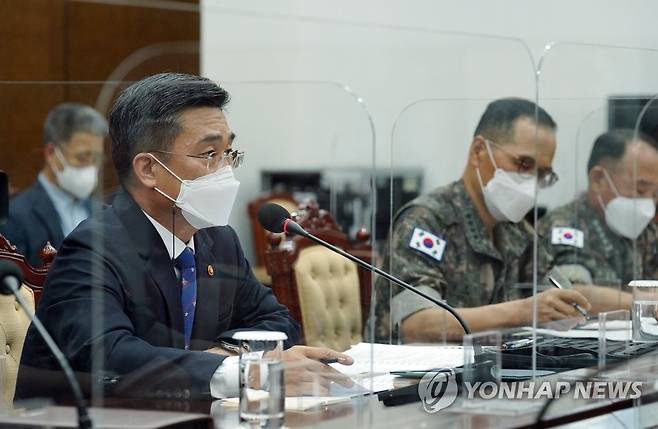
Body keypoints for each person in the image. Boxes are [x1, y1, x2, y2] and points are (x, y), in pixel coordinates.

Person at [16, 73, 352, 400]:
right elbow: (111, 353)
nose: (225, 170)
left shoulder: (218, 240)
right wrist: (246, 371)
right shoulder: (93, 249)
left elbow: (279, 321)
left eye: (228, 153)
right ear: (148, 169)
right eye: (209, 155)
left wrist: (228, 353)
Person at [372, 98, 591, 343]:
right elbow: (417, 324)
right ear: (478, 151)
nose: (531, 182)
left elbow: (557, 290)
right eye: (523, 164)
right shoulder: (426, 222)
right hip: (413, 377)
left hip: (491, 375)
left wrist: (565, 307)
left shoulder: (517, 231)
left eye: (542, 174)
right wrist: (524, 312)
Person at [535, 130, 658, 305]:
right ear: (598, 179)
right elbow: (571, 293)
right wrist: (646, 303)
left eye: (655, 194)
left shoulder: (648, 233)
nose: (649, 203)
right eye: (640, 189)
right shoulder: (564, 225)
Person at [0, 103, 107, 266]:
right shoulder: (15, 217)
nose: (91, 167)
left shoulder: (103, 213)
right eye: (82, 157)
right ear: (51, 154)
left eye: (96, 159)